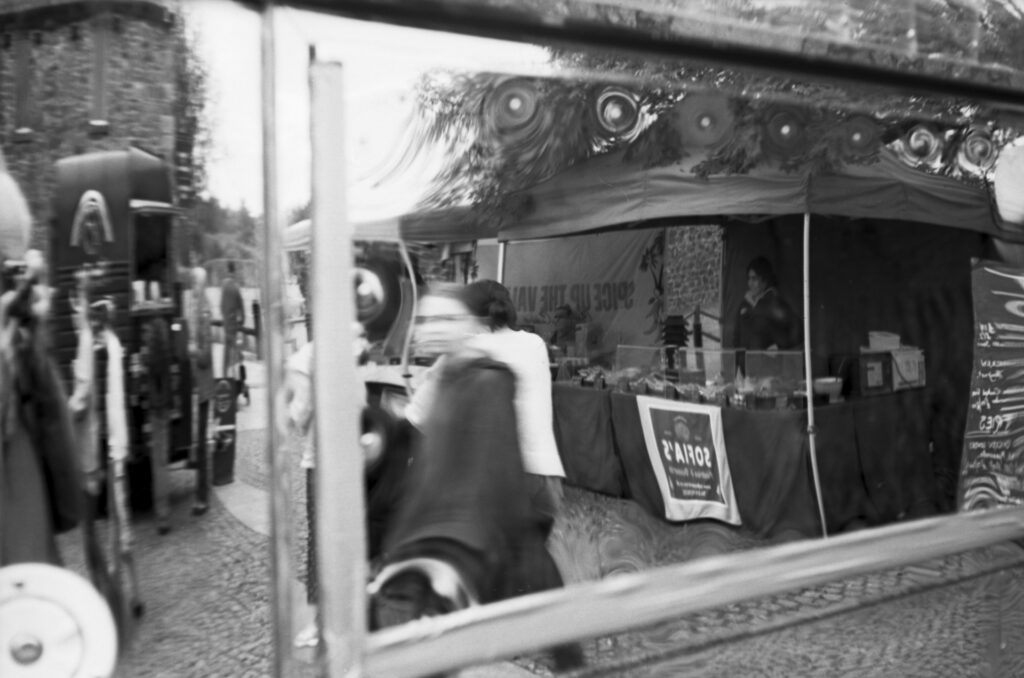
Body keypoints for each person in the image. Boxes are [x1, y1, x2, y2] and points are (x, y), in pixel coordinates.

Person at [143, 315, 173, 535]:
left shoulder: (149, 357)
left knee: (158, 465)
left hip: (155, 410)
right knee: (163, 463)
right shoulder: (165, 355)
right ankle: (164, 513)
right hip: (165, 410)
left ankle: (161, 515)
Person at [189, 267, 215, 516]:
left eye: (194, 282)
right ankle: (200, 494)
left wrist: (193, 351)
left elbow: (205, 354)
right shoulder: (196, 306)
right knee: (198, 442)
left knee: (201, 442)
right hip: (198, 384)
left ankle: (202, 497)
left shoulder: (203, 309)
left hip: (203, 384)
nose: (192, 287)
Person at [733, 256, 801, 351]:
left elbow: (799, 330)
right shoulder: (744, 304)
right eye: (749, 278)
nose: (750, 283)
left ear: (765, 280)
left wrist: (778, 347)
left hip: (767, 364)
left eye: (754, 279)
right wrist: (738, 362)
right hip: (746, 363)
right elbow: (737, 337)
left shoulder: (775, 303)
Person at [220, 261, 248, 404]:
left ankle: (224, 385)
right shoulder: (236, 288)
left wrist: (226, 320)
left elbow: (221, 307)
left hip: (227, 329)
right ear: (234, 271)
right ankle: (240, 387)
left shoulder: (224, 286)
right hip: (235, 329)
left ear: (227, 270)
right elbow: (242, 311)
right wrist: (240, 322)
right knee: (238, 359)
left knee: (226, 361)